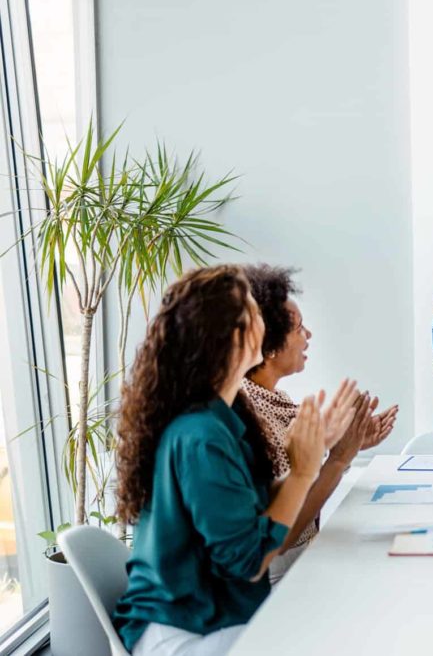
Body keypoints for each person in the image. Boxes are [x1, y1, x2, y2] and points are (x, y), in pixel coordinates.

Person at [113, 265, 358, 654]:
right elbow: (249, 561)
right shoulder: (200, 437)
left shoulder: (224, 417)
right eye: (253, 312)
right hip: (184, 633)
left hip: (215, 616)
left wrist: (311, 455)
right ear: (231, 337)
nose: (266, 318)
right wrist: (303, 471)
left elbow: (260, 510)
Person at [240, 264, 399, 582]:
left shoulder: (273, 399)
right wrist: (339, 457)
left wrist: (346, 448)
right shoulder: (249, 414)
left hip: (299, 560)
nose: (308, 335)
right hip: (277, 578)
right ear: (268, 344)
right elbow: (283, 533)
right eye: (298, 328)